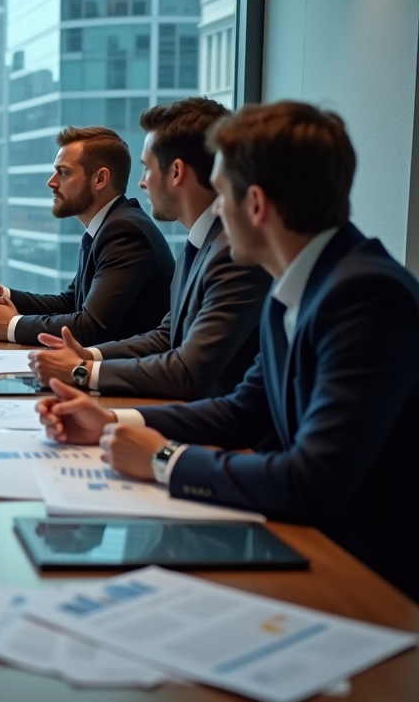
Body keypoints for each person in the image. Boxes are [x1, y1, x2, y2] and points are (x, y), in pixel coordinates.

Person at [37, 101, 419, 601]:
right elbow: (243, 409)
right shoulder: (307, 282)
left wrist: (165, 460)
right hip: (303, 538)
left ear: (255, 204)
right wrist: (114, 424)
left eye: (223, 193)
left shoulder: (364, 295)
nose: (216, 209)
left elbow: (310, 480)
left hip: (364, 577)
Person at [29, 99, 271, 399]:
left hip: (213, 424)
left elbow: (187, 372)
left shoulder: (233, 254)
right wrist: (88, 357)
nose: (142, 183)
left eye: (146, 168)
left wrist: (82, 371)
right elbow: (166, 336)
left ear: (176, 172)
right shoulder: (199, 244)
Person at [0, 126, 175, 346]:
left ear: (100, 179)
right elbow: (70, 303)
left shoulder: (124, 231)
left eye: (63, 173)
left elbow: (91, 327)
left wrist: (10, 325)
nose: (51, 182)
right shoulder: (109, 225)